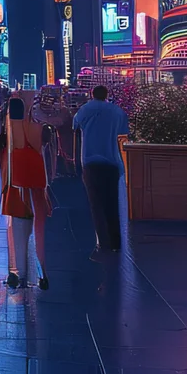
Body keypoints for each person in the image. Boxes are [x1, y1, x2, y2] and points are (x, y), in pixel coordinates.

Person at [0, 95, 52, 290]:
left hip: (15, 190)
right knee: (38, 233)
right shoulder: (37, 129)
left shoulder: (6, 136)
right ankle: (41, 274)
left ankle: (17, 273)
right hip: (36, 187)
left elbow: (3, 164)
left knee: (16, 233)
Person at [73, 83, 128, 257]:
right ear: (107, 95)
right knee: (112, 203)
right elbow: (123, 132)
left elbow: (75, 126)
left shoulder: (84, 109)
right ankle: (116, 243)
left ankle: (103, 243)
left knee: (96, 204)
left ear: (92, 94)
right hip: (112, 161)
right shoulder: (117, 111)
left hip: (91, 161)